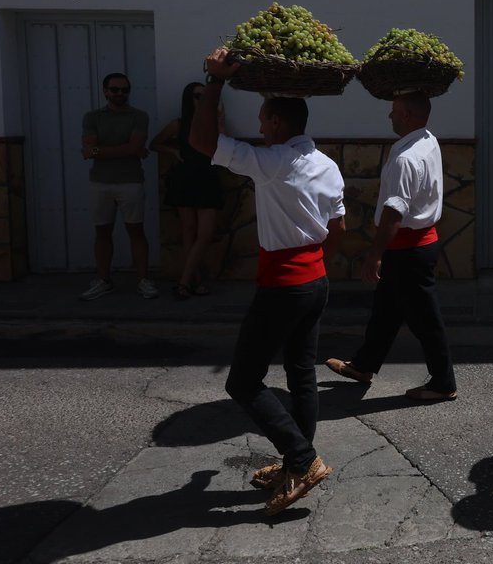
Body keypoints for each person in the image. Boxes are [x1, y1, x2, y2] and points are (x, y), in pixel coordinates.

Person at [189, 48, 346, 515]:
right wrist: (314, 267)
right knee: (301, 374)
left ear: (277, 122)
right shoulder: (327, 164)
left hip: (284, 285)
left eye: (262, 120)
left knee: (242, 382)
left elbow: (200, 141)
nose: (259, 128)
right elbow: (338, 228)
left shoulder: (275, 161)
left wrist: (214, 81)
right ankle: (298, 463)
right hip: (315, 281)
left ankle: (302, 458)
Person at [325, 91, 457, 401]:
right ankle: (363, 366)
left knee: (425, 320)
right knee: (386, 310)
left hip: (409, 250)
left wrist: (375, 255)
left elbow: (394, 212)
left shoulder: (405, 158)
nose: (390, 116)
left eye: (394, 111)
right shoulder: (428, 140)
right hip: (416, 245)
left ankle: (443, 382)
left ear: (408, 116)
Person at [79, 72, 159, 300]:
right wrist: (129, 149)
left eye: (124, 90)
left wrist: (100, 151)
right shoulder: (92, 117)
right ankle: (103, 280)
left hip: (130, 181)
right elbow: (88, 149)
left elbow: (130, 147)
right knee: (102, 231)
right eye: (115, 89)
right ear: (105, 91)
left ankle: (143, 280)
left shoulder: (139, 116)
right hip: (100, 182)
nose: (120, 94)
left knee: (136, 230)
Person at [150, 82, 225, 299]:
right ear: (188, 99)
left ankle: (184, 281)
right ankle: (195, 281)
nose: (201, 100)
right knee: (189, 231)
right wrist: (173, 152)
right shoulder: (179, 124)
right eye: (197, 96)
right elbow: (155, 144)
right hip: (185, 178)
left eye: (205, 96)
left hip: (207, 177)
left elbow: (223, 145)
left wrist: (220, 117)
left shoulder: (212, 122)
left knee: (205, 233)